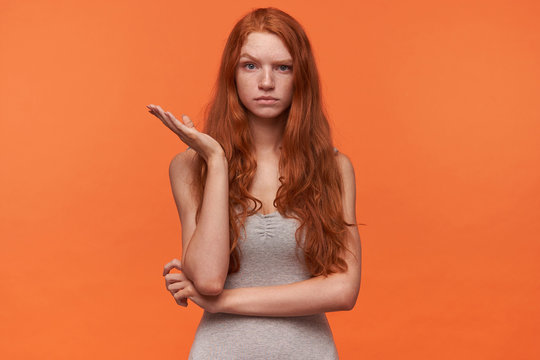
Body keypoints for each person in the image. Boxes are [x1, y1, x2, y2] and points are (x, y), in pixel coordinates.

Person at [148, 7, 362, 359]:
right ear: (232, 74)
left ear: (301, 76)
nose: (266, 82)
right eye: (250, 65)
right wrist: (216, 161)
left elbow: (343, 290)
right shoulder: (190, 167)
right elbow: (207, 280)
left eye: (283, 67)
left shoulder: (334, 168)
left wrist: (225, 302)